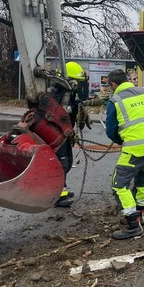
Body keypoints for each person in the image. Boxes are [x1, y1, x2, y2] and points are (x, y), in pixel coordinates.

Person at [105, 69, 144, 239]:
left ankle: (132, 224)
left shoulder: (115, 100)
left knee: (118, 184)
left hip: (134, 149)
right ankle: (140, 213)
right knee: (142, 180)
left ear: (112, 84)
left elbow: (111, 131)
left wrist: (124, 140)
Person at [54, 61, 88, 207]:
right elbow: (60, 111)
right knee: (61, 162)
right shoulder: (57, 93)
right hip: (57, 134)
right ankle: (58, 193)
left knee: (67, 161)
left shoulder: (69, 94)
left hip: (65, 133)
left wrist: (79, 106)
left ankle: (62, 188)